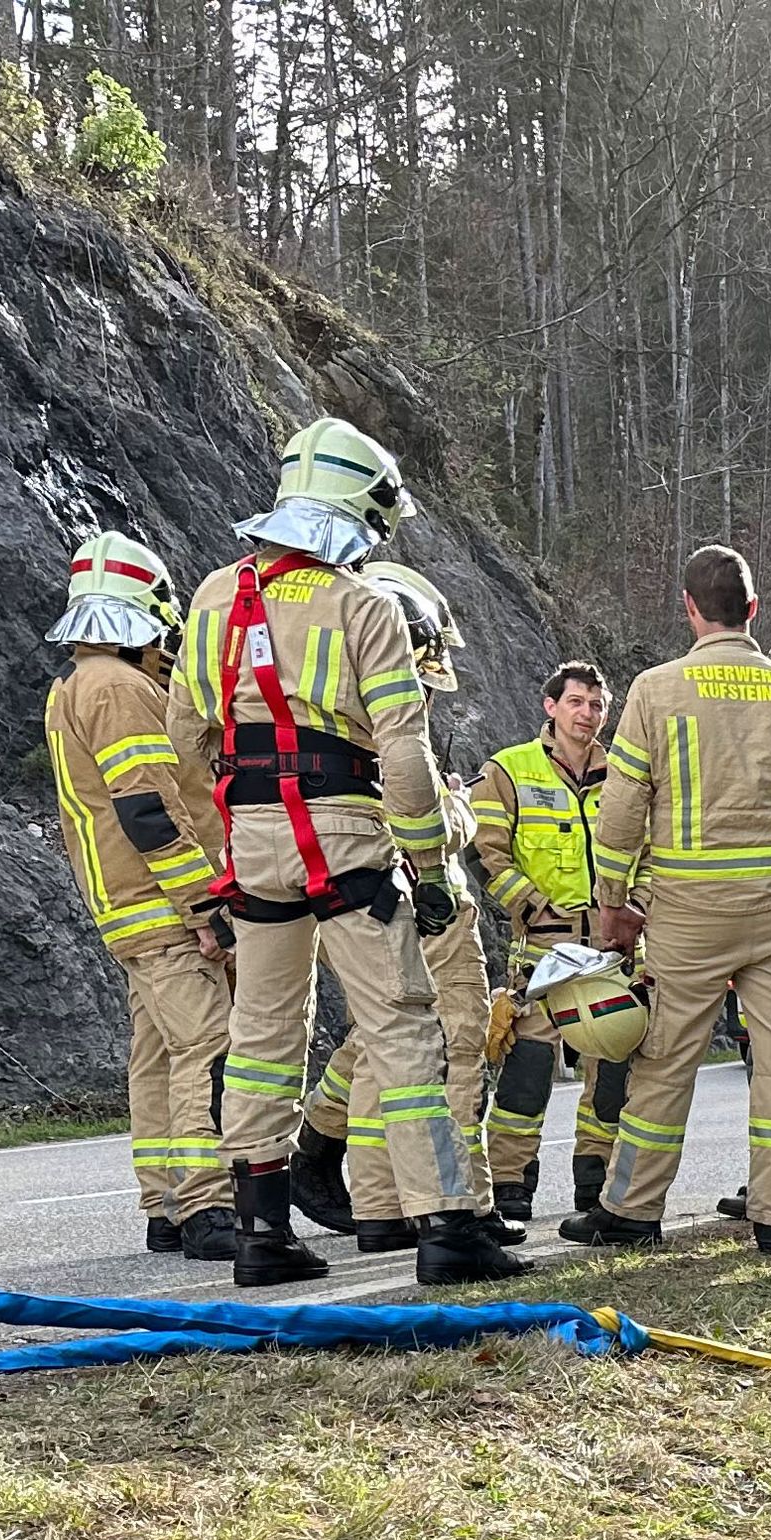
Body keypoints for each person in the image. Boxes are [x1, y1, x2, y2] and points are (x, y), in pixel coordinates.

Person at [165, 415, 520, 1288]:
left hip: (254, 840)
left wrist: (224, 850)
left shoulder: (214, 595)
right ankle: (443, 1227)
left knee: (262, 1033)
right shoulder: (363, 605)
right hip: (347, 833)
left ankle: (261, 1235)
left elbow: (183, 738)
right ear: (359, 511)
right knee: (400, 1027)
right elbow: (405, 758)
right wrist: (432, 871)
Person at [569, 545, 771, 1249]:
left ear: (690, 609)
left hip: (687, 911)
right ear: (755, 611)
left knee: (666, 1059)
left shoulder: (655, 689)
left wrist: (612, 901)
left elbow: (620, 813)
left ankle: (633, 1211)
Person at [300, 560, 517, 1251]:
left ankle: (383, 1204)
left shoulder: (329, 713)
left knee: (384, 1044)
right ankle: (447, 1206)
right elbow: (415, 807)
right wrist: (460, 809)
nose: (426, 686)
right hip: (417, 892)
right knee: (441, 1042)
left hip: (371, 886)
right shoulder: (388, 719)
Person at [40, 529, 233, 1260]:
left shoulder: (73, 688)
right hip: (163, 908)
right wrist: (205, 904)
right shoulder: (120, 688)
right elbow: (148, 808)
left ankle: (164, 1203)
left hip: (124, 906)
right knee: (206, 1046)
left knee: (156, 1053)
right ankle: (209, 1203)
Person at [473, 659, 627, 1225]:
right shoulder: (509, 770)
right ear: (551, 707)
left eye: (597, 704)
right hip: (543, 950)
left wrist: (637, 909)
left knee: (610, 1074)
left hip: (611, 952)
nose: (587, 714)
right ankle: (511, 1186)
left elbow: (650, 849)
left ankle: (597, 1183)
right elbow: (484, 853)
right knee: (526, 1073)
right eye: (577, 702)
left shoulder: (626, 775)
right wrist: (534, 906)